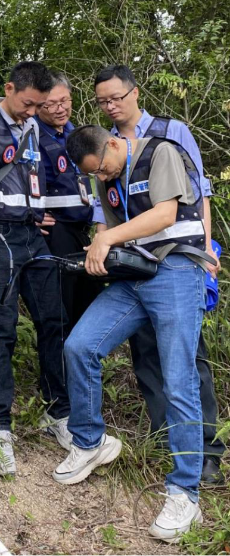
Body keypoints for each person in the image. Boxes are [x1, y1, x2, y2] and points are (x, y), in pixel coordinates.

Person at [54, 125, 208, 542]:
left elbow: (165, 215)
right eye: (95, 176)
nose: (102, 179)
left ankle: (185, 493)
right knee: (80, 346)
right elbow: (113, 226)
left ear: (116, 144)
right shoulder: (104, 173)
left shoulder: (161, 153)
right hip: (135, 277)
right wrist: (100, 251)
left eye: (103, 169)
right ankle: (90, 442)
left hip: (176, 271)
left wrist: (106, 241)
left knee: (178, 382)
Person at [93, 64, 224, 484]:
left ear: (134, 92)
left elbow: (199, 191)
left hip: (176, 262)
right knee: (146, 354)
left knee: (188, 358)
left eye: (117, 97)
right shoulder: (106, 147)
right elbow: (103, 211)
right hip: (132, 268)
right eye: (103, 102)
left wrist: (205, 252)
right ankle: (165, 439)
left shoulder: (171, 131)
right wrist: (103, 246)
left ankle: (205, 455)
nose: (112, 106)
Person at [0, 62, 71, 475]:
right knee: (2, 327)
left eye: (38, 105)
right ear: (10, 89)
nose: (32, 111)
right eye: (28, 104)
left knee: (53, 320)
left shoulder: (34, 126)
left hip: (31, 235)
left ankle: (58, 413)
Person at [35, 72, 101, 325]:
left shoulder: (77, 134)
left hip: (83, 231)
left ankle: (82, 361)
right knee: (62, 304)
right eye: (51, 104)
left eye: (65, 101)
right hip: (55, 231)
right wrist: (29, 216)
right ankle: (59, 363)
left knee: (89, 303)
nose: (60, 109)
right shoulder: (31, 135)